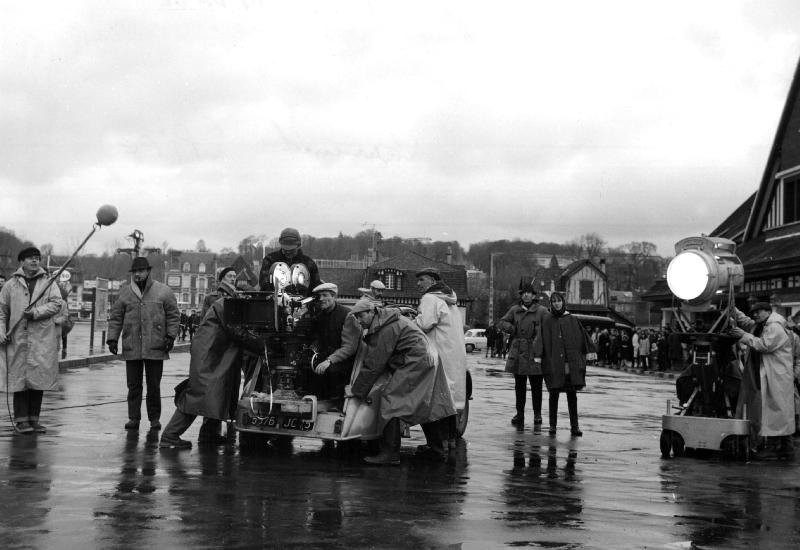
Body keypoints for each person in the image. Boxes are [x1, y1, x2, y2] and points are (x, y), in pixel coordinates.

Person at [346, 298, 455, 465]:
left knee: (391, 400)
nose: (359, 322)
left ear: (371, 312)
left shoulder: (386, 329)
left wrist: (356, 391)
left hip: (416, 360)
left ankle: (391, 453)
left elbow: (374, 365)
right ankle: (436, 449)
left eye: (361, 317)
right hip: (428, 357)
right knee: (426, 404)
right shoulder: (389, 320)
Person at [159, 278, 262, 449]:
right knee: (199, 396)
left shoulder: (227, 303)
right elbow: (238, 333)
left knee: (215, 394)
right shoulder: (229, 305)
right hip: (210, 356)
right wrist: (262, 345)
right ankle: (170, 436)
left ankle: (208, 434)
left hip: (212, 354)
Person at [107, 256, 180, 432]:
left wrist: (170, 336)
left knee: (154, 386)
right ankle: (134, 418)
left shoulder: (163, 291)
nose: (138, 274)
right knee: (133, 386)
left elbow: (173, 315)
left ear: (148, 271)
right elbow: (116, 317)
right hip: (132, 345)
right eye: (135, 272)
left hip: (156, 345)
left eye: (141, 271)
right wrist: (112, 338)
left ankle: (154, 419)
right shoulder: (125, 292)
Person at [0, 247, 64, 434]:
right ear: (22, 262)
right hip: (17, 339)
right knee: (19, 380)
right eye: (30, 259)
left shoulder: (49, 282)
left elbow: (57, 304)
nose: (35, 261)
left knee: (38, 379)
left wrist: (35, 313)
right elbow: (1, 312)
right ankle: (21, 421)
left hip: (41, 340)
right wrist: (1, 331)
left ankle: (34, 419)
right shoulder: (10, 285)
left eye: (37, 258)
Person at [729, 302, 795, 459]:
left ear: (768, 312)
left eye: (758, 312)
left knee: (776, 412)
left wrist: (743, 336)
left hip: (776, 376)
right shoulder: (762, 324)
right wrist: (733, 309)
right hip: (765, 374)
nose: (755, 315)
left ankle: (777, 447)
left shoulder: (775, 326)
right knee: (773, 412)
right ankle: (780, 446)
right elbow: (747, 322)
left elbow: (764, 345)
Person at [414, 267, 463, 455]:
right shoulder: (449, 298)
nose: (418, 284)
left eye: (422, 280)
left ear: (433, 281)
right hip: (452, 354)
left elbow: (424, 324)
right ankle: (450, 441)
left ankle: (436, 444)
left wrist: (411, 318)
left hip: (437, 353)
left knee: (434, 399)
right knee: (449, 399)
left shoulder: (430, 299)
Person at [539, 292, 594, 437]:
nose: (557, 304)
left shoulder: (572, 319)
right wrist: (538, 355)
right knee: (554, 394)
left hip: (570, 364)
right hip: (554, 363)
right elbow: (541, 338)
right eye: (554, 301)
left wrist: (588, 351)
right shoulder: (547, 320)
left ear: (563, 302)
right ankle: (552, 426)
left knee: (572, 395)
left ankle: (574, 426)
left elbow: (582, 337)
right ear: (551, 303)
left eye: (559, 301)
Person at [498, 283, 548, 428]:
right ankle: (519, 414)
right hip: (518, 351)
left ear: (534, 296)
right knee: (519, 386)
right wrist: (512, 329)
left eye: (529, 293)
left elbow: (549, 327)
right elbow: (502, 322)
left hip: (534, 352)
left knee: (536, 386)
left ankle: (537, 414)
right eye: (524, 293)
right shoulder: (515, 310)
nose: (526, 295)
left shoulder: (542, 311)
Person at [307, 282, 361, 402]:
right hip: (325, 358)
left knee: (331, 373)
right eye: (319, 296)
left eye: (325, 295)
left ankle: (335, 403)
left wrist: (329, 361)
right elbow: (318, 338)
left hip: (343, 362)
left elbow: (350, 347)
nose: (321, 299)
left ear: (334, 296)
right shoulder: (320, 316)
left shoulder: (347, 315)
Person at [258, 227, 321, 296]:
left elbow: (316, 287)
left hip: (303, 303)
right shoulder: (270, 259)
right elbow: (263, 283)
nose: (288, 252)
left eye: (292, 250)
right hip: (274, 302)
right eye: (285, 249)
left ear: (299, 245)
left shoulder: (309, 263)